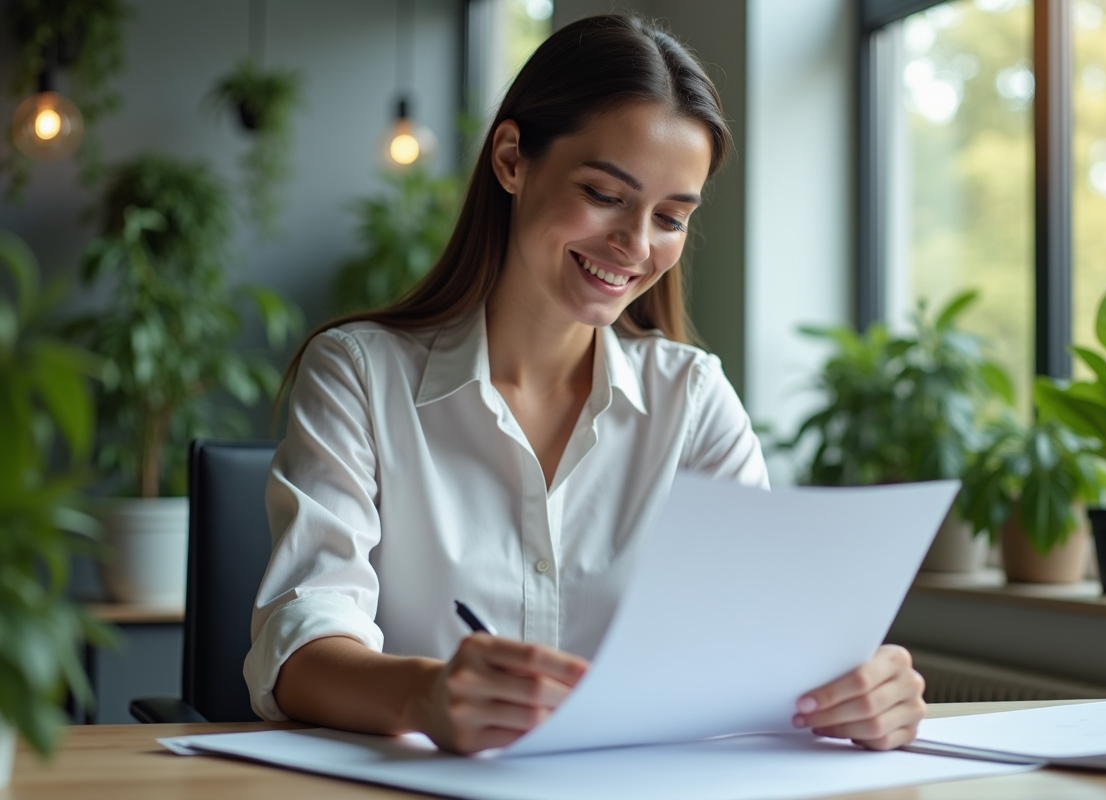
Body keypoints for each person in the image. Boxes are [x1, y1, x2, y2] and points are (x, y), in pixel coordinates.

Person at [246, 14, 926, 756]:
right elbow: (301, 645)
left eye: (671, 217)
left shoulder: (693, 398)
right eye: (604, 194)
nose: (635, 245)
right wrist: (425, 695)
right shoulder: (359, 374)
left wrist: (858, 686)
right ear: (512, 159)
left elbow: (763, 636)